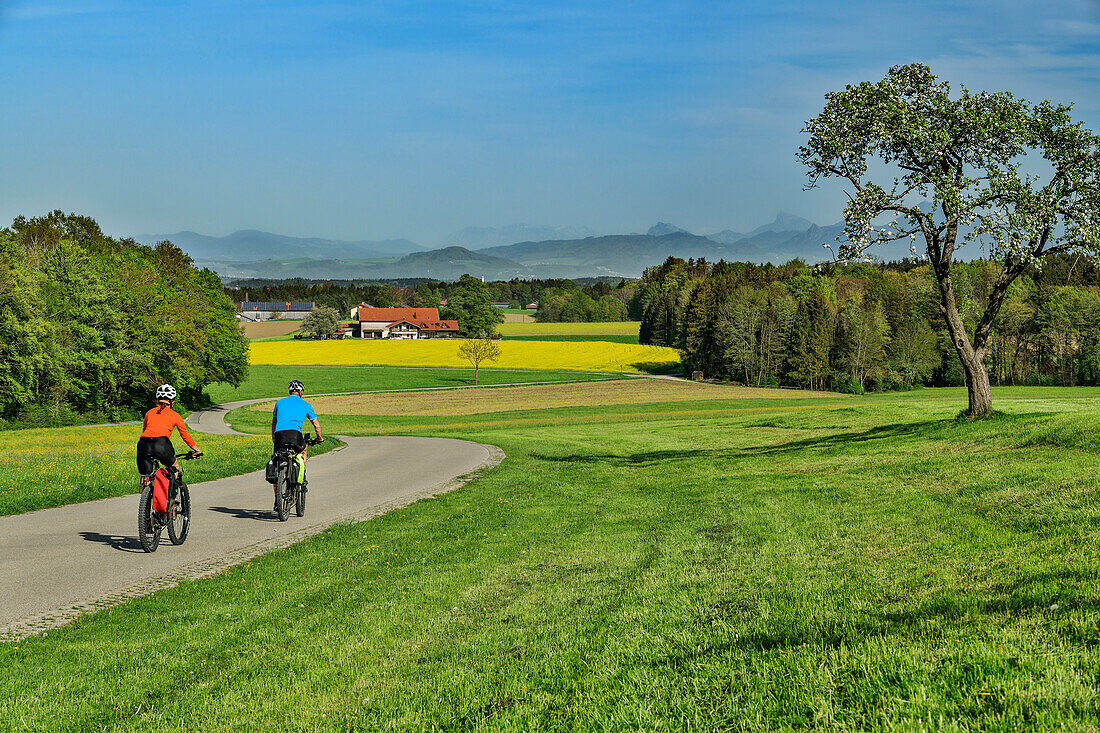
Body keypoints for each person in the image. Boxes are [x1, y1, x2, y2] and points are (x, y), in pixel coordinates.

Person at [271, 379, 324, 512]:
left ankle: (277, 500)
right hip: (295, 435)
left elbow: (274, 422)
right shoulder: (306, 404)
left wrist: (273, 437)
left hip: (279, 435)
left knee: (278, 461)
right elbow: (316, 426)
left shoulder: (279, 402)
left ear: (289, 391)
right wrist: (319, 438)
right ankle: (299, 480)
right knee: (303, 452)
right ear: (301, 392)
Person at [137, 384, 201, 480]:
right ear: (172, 401)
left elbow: (145, 431)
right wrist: (196, 450)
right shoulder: (175, 415)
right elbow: (185, 435)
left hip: (143, 444)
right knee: (174, 467)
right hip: (161, 444)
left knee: (146, 476)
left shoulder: (149, 413)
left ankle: (145, 493)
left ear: (158, 399)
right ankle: (169, 493)